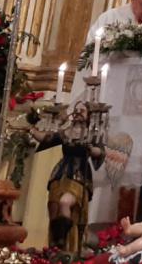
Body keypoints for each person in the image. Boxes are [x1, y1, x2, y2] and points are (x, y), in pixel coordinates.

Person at [33, 102, 105, 252]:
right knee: (53, 207)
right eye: (76, 110)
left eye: (82, 111)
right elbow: (46, 139)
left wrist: (92, 149)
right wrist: (31, 128)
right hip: (60, 174)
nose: (78, 113)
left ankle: (63, 240)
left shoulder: (92, 133)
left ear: (89, 115)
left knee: (65, 202)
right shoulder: (66, 132)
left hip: (79, 176)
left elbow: (100, 152)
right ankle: (54, 247)